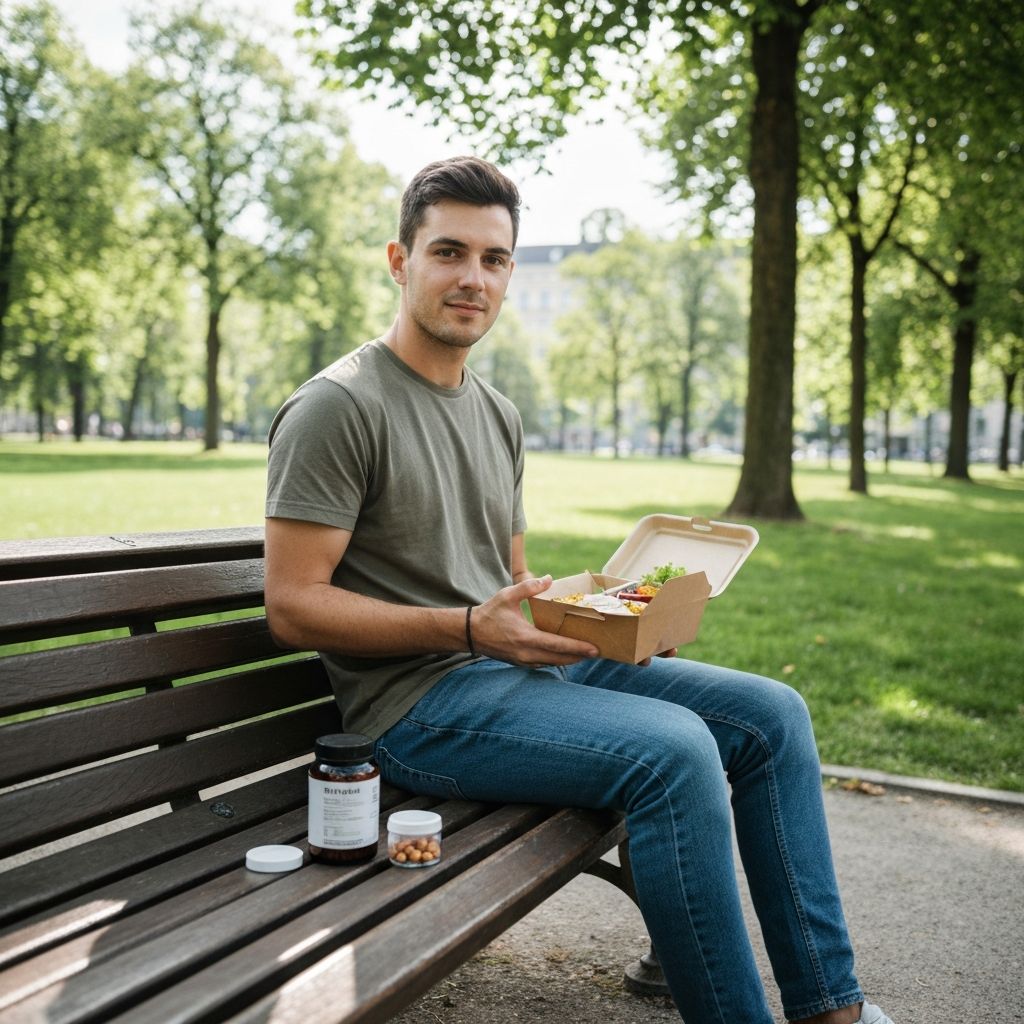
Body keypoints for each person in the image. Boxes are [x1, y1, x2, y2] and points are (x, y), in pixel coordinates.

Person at [264, 155, 896, 1024]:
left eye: (494, 259)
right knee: (675, 754)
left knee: (773, 715)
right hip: (412, 710)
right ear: (398, 260)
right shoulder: (339, 406)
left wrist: (622, 620)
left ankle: (832, 1009)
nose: (472, 278)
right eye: (448, 252)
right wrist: (468, 631)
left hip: (518, 677)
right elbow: (293, 604)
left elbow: (513, 589)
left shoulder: (496, 411)